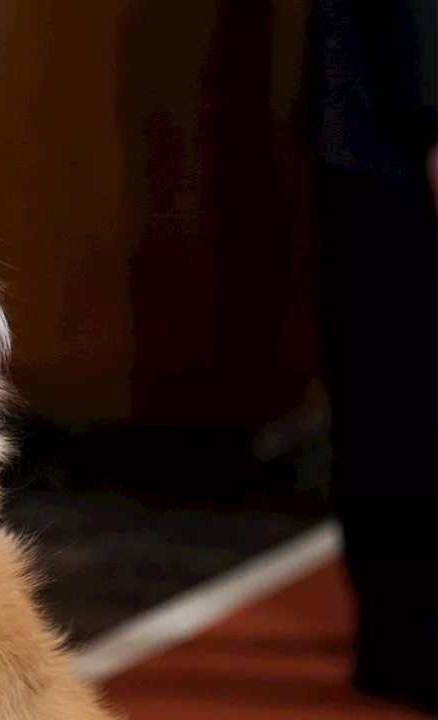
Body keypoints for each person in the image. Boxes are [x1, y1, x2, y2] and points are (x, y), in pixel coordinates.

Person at [313, 0, 437, 712]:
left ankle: (400, 630)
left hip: (385, 121)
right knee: (403, 392)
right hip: (395, 130)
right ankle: (407, 639)